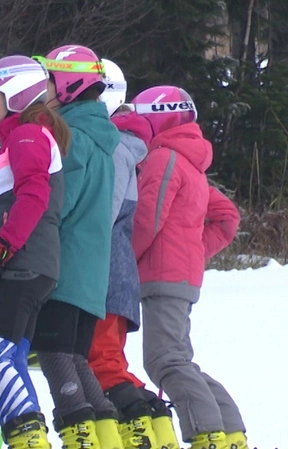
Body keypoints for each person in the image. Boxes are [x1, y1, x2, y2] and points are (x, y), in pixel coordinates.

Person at [130, 85, 246, 449]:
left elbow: (147, 218)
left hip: (163, 277)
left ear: (157, 119)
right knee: (177, 359)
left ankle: (206, 433)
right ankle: (229, 430)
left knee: (164, 360)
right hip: (178, 275)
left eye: (143, 118)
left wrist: (122, 260)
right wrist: (191, 250)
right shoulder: (189, 163)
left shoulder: (164, 158)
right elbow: (227, 217)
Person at [0, 54, 70, 449]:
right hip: (29, 264)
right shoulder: (24, 135)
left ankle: (28, 440)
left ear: (13, 95)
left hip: (21, 265)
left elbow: (34, 193)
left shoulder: (26, 134)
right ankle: (29, 439)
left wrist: (1, 248)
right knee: (9, 358)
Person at [29, 45, 123, 449]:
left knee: (54, 355)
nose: (41, 89)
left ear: (68, 86)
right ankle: (106, 436)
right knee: (73, 358)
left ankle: (80, 435)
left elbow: (57, 205)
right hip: (87, 274)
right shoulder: (97, 137)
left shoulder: (73, 140)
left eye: (47, 81)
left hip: (63, 269)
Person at [87, 58, 174, 449]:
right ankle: (155, 429)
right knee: (108, 364)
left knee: (102, 365)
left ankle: (143, 432)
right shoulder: (118, 143)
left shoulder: (114, 147)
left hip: (103, 277)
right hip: (109, 276)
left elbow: (101, 217)